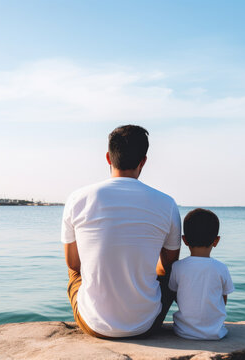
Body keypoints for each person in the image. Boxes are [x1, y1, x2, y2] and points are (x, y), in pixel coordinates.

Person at [61, 125, 181, 338]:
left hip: (94, 325)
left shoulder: (77, 198)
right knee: (171, 272)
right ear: (143, 161)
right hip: (146, 325)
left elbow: (74, 264)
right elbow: (168, 265)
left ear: (108, 157)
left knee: (74, 271)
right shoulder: (167, 203)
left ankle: (99, 309)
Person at [168, 208, 235, 340]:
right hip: (216, 333)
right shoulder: (221, 268)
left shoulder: (177, 267)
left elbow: (174, 294)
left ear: (184, 240)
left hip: (183, 332)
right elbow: (223, 299)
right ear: (216, 241)